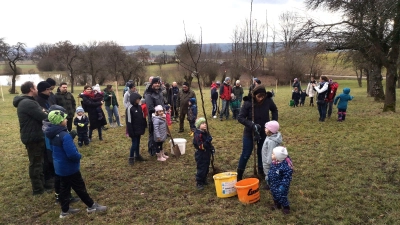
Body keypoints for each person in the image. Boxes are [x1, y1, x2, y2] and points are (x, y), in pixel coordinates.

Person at [44, 110, 107, 218]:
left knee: (64, 189)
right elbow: (72, 154)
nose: (67, 119)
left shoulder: (51, 134)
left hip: (59, 167)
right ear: (59, 121)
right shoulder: (65, 136)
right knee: (79, 187)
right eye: (64, 118)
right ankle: (91, 206)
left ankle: (65, 211)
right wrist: (79, 156)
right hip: (69, 168)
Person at [13, 81, 48, 195]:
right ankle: (38, 189)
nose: (37, 89)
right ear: (31, 89)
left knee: (39, 162)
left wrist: (43, 111)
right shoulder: (28, 103)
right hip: (33, 137)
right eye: (35, 87)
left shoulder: (29, 102)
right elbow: (44, 116)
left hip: (35, 135)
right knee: (36, 164)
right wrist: (44, 112)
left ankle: (42, 185)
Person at [237, 85, 278, 181]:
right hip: (249, 132)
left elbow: (274, 110)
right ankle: (239, 175)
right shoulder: (248, 102)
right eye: (259, 96)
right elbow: (240, 117)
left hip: (265, 132)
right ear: (254, 95)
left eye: (262, 96)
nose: (261, 99)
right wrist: (252, 125)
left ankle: (261, 172)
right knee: (246, 153)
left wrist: (274, 122)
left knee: (262, 152)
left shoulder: (268, 100)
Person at [268, 146, 293, 215]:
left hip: (281, 186)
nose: (271, 155)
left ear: (278, 157)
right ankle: (277, 204)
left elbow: (287, 177)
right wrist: (268, 178)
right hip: (273, 183)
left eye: (273, 154)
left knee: (282, 196)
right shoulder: (274, 162)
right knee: (274, 194)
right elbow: (271, 171)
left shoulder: (285, 167)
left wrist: (283, 185)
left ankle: (286, 207)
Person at [192, 117, 215, 190]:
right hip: (201, 154)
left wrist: (211, 148)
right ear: (199, 126)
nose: (205, 125)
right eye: (202, 123)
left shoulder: (205, 132)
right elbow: (201, 146)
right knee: (202, 168)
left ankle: (204, 179)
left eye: (205, 123)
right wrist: (208, 141)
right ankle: (199, 182)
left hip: (207, 153)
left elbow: (208, 144)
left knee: (206, 167)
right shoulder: (198, 135)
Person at [144, 77, 165, 156]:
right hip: (153, 118)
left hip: (162, 117)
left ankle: (159, 150)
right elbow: (150, 108)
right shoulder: (148, 94)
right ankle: (152, 150)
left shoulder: (160, 92)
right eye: (155, 83)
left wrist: (165, 109)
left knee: (161, 134)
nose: (157, 84)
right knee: (153, 135)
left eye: (158, 83)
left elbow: (162, 103)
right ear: (152, 84)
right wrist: (159, 112)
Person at [126, 92, 147, 165]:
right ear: (133, 99)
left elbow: (142, 118)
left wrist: (143, 126)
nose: (139, 100)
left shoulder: (139, 107)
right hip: (133, 130)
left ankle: (137, 156)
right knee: (134, 144)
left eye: (139, 99)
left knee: (138, 143)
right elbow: (128, 121)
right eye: (137, 99)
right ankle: (131, 157)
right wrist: (130, 131)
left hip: (139, 129)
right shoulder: (129, 108)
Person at [261, 121, 282, 190]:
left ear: (270, 131)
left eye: (266, 128)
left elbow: (270, 152)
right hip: (267, 159)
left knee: (268, 173)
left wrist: (268, 162)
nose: (264, 129)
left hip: (268, 161)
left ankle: (270, 184)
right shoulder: (270, 137)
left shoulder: (271, 141)